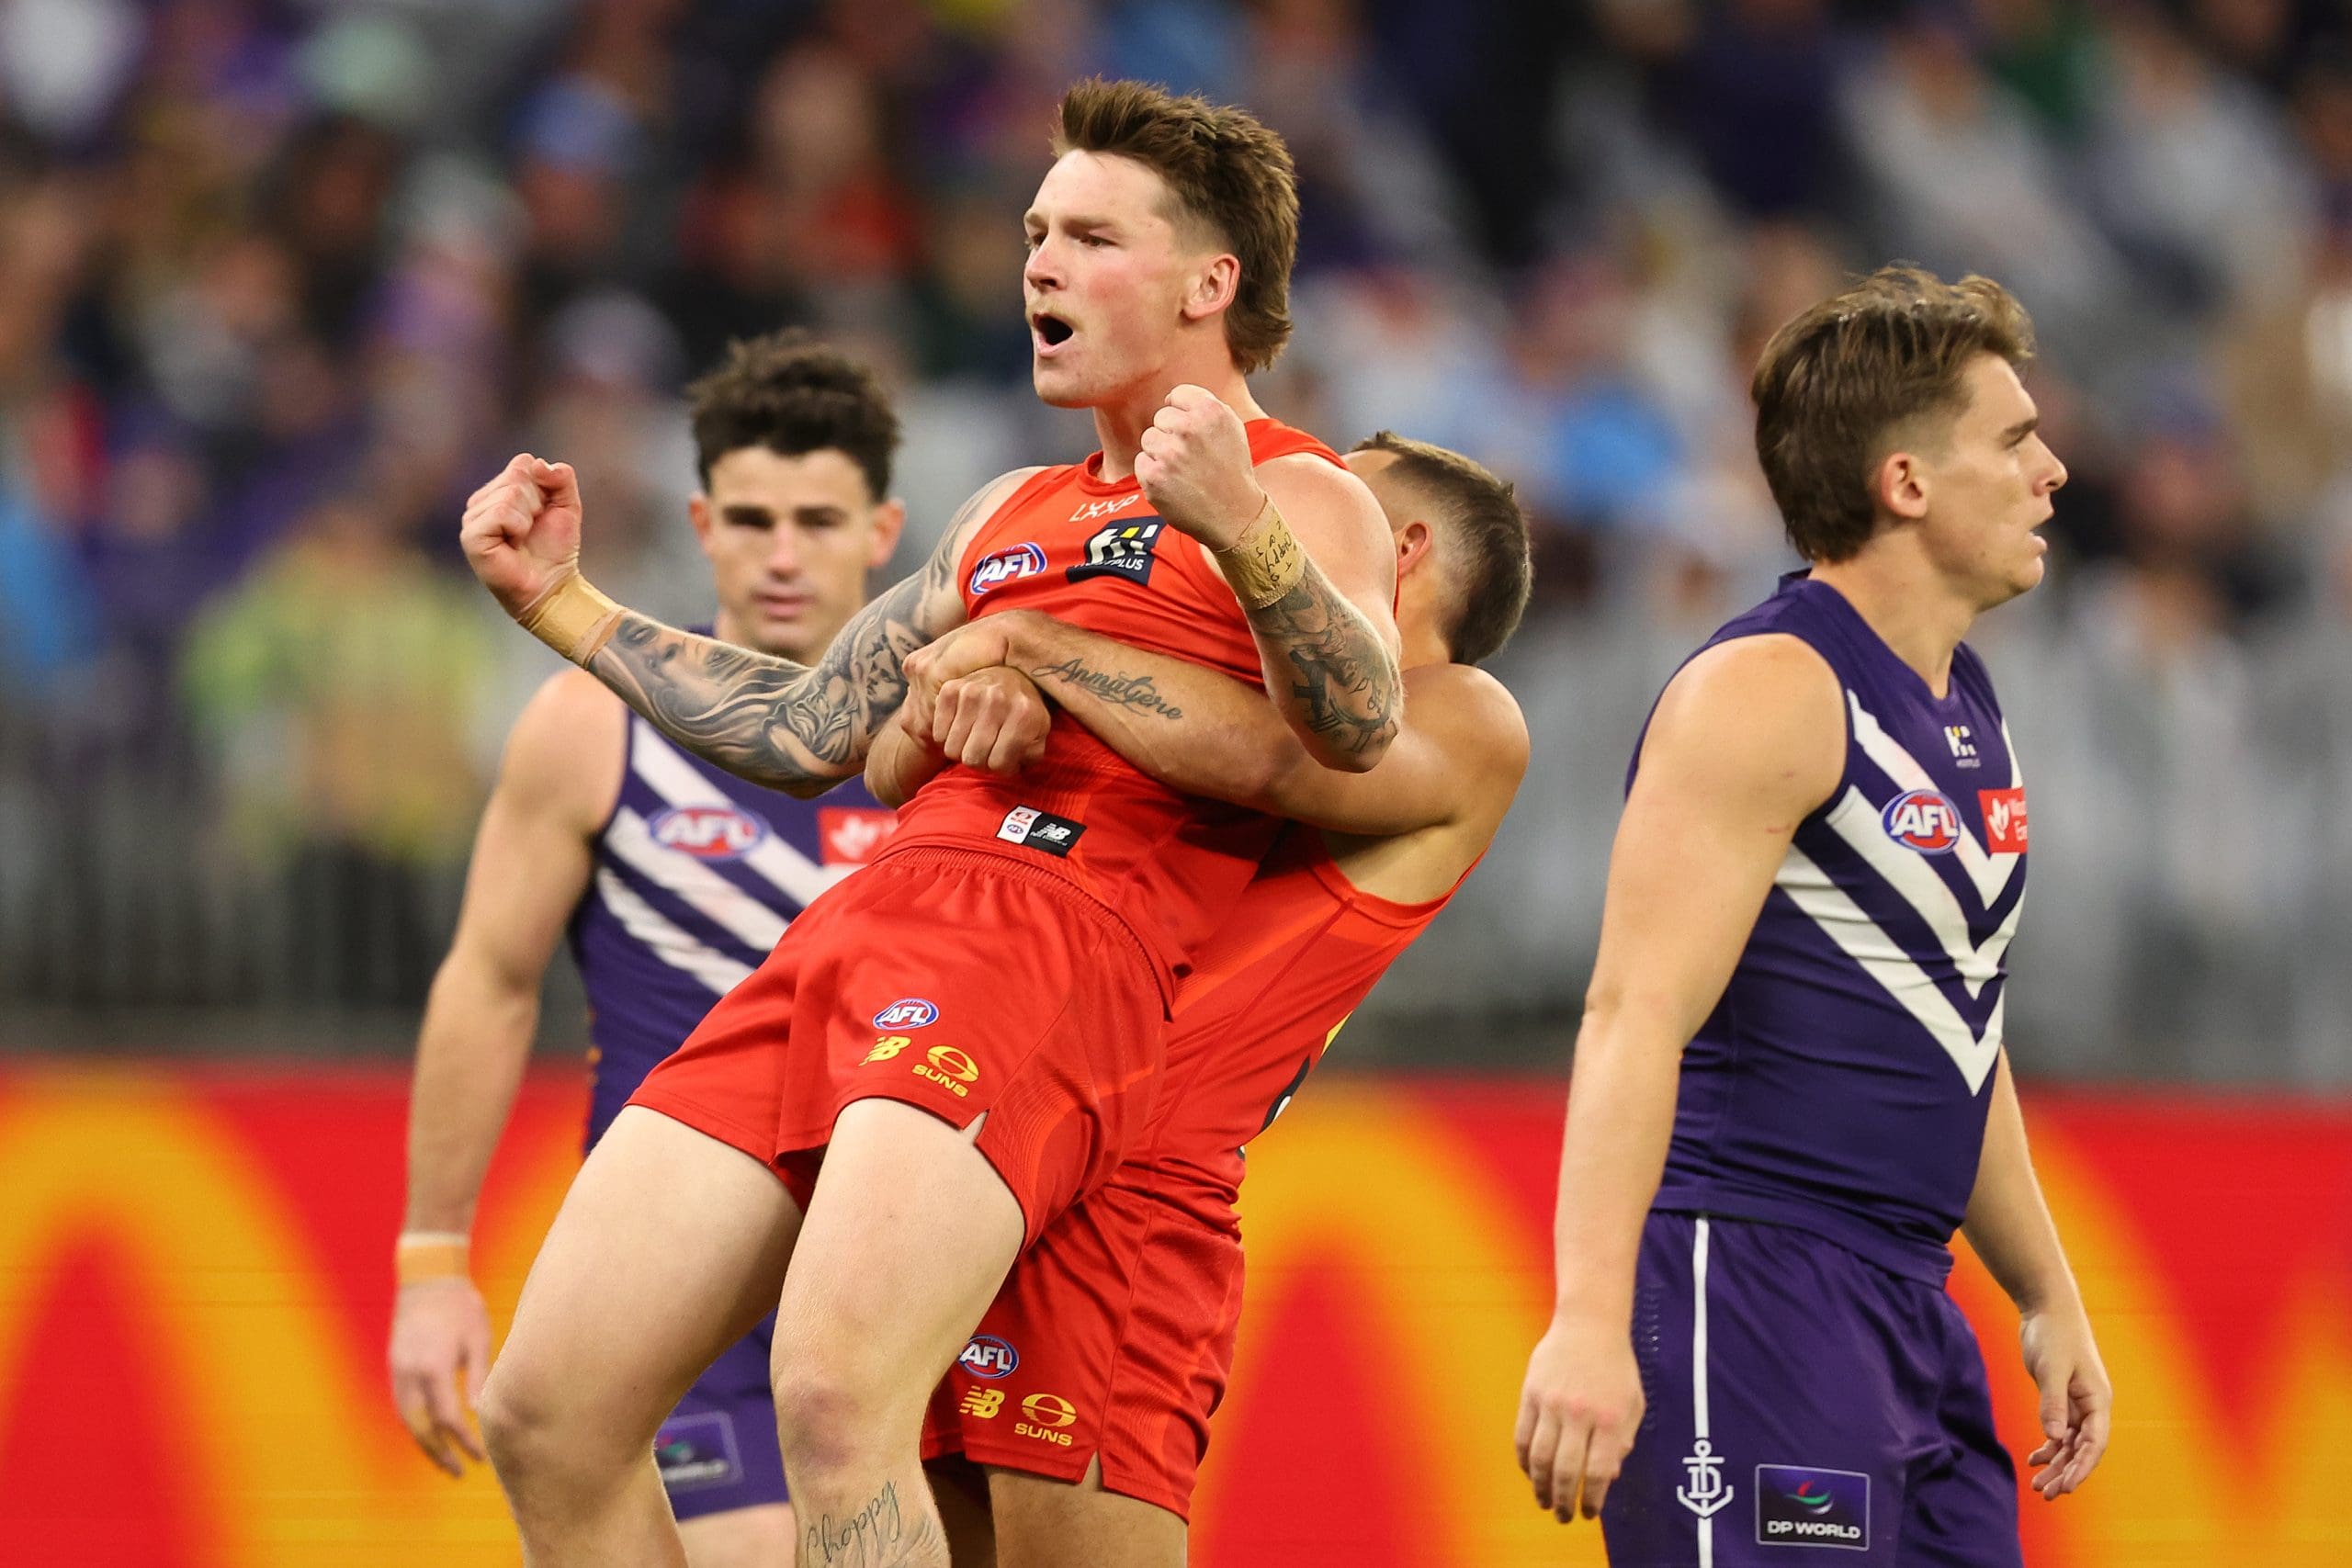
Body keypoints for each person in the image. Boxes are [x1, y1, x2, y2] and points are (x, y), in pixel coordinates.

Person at [455, 80, 1405, 1568]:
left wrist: (1225, 538)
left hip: (1051, 940)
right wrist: (560, 605)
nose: (1037, 261)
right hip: (857, 929)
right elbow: (807, 728)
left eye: (1090, 235)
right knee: (548, 1411)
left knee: (834, 1404)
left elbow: (1357, 725)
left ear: (1209, 283)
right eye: (1035, 229)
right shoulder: (1007, 507)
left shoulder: (1303, 491)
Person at [1515, 266, 2113, 1565]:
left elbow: (1958, 1015)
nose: (2053, 468)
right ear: (1905, 482)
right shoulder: (1769, 690)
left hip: (1909, 1305)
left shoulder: (1969, 702)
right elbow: (1632, 1013)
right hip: (1754, 1283)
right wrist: (1589, 1318)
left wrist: (2045, 1287)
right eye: (2014, 439)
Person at [880, 433, 1532, 1568]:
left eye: (1328, 490)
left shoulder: (1461, 711)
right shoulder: (1199, 690)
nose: (1276, 497)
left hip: (1127, 1204)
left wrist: (1036, 640)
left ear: (1402, 549)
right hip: (999, 1163)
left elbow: (1289, 763)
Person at [387, 333, 906, 1565]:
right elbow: (489, 981)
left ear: (882, 532)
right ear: (700, 521)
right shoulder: (591, 722)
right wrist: (431, 1264)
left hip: (902, 1290)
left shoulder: (943, 736)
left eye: (819, 519)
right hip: (684, 1300)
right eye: (753, 516)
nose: (784, 553)